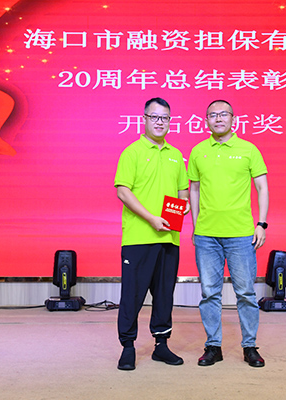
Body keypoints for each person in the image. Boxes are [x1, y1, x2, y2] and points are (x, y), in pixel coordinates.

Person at [188, 100, 269, 368]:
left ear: (233, 118)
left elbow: (262, 187)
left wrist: (262, 224)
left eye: (223, 114)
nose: (218, 119)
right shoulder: (199, 151)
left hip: (241, 235)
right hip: (207, 236)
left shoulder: (248, 149)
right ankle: (213, 346)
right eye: (212, 115)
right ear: (206, 120)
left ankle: (250, 346)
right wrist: (196, 226)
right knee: (209, 293)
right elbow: (194, 190)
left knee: (245, 292)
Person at [114, 97, 189, 371]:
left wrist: (184, 205)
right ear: (144, 119)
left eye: (165, 118)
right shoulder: (132, 152)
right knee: (132, 294)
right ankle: (128, 347)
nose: (160, 122)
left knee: (164, 294)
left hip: (169, 237)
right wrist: (151, 219)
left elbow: (182, 191)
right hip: (138, 237)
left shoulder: (175, 155)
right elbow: (123, 191)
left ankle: (161, 345)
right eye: (155, 117)